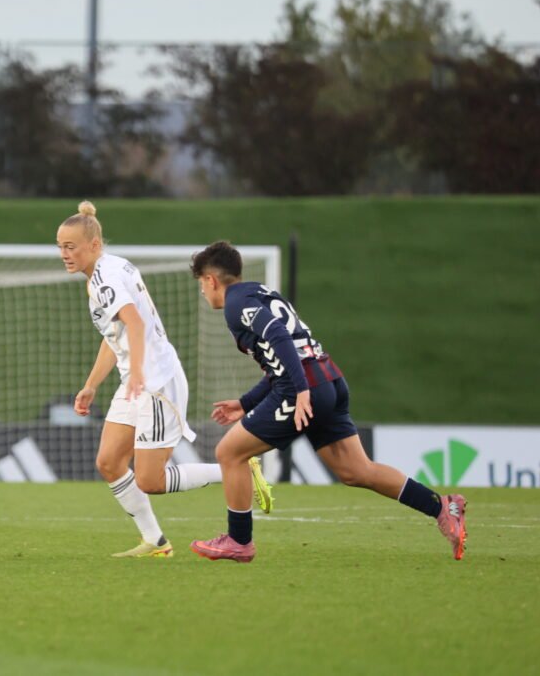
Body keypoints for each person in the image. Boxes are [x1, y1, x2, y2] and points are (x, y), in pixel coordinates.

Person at [187, 240, 467, 563]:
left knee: (229, 452)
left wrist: (301, 390)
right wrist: (246, 402)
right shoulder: (262, 293)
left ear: (211, 280)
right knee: (356, 470)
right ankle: (442, 507)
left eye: (201, 284)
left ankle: (239, 541)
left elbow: (278, 336)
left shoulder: (236, 304)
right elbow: (284, 357)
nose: (203, 292)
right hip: (329, 380)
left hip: (303, 389)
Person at [58, 203, 274, 558]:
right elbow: (117, 334)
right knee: (109, 461)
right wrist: (92, 384)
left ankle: (237, 469)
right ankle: (155, 542)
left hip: (155, 381)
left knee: (151, 480)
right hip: (138, 379)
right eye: (61, 247)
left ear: (94, 244)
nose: (65, 254)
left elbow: (136, 323)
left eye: (71, 246)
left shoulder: (104, 279)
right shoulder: (111, 267)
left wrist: (139, 373)